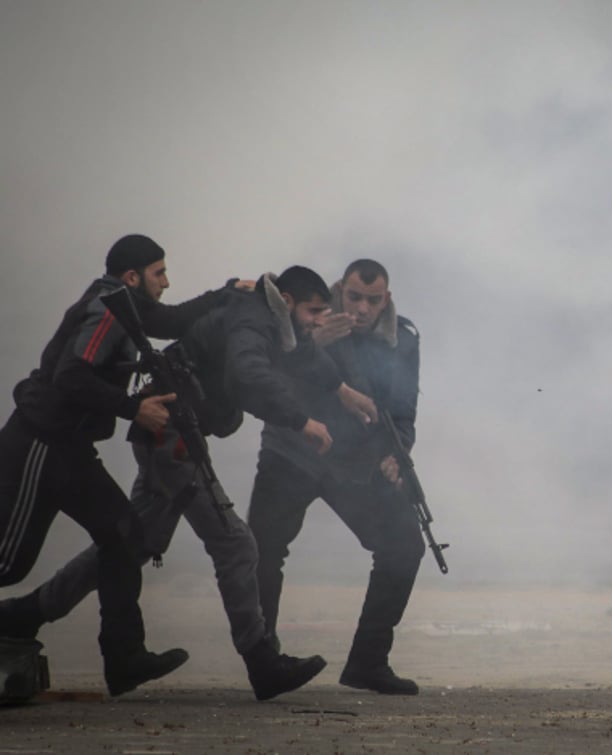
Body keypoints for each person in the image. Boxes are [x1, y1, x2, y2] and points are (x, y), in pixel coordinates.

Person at [0, 267, 359, 700]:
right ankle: (261, 661)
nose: (319, 320)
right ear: (285, 299)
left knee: (133, 542)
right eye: (314, 311)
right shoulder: (252, 319)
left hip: (169, 435)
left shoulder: (270, 320)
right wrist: (302, 421)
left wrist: (341, 389)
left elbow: (299, 353)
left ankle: (25, 613)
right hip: (171, 437)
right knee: (235, 544)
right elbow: (250, 374)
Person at [0, 234, 238, 696]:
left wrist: (229, 291)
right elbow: (71, 375)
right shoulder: (107, 311)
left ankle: (124, 659)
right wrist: (133, 408)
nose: (166, 283)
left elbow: (172, 320)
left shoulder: (124, 303)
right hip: (41, 445)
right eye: (159, 273)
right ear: (133, 277)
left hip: (71, 450)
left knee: (125, 535)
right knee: (9, 562)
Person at [248, 259, 424, 695]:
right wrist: (308, 345)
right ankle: (265, 662)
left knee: (405, 544)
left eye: (373, 300)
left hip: (356, 465)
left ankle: (368, 661)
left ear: (387, 299)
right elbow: (266, 376)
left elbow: (403, 410)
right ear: (340, 290)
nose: (362, 309)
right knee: (263, 552)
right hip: (294, 449)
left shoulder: (402, 339)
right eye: (354, 298)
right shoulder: (307, 319)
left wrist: (396, 455)